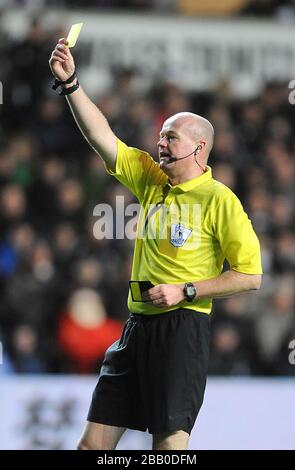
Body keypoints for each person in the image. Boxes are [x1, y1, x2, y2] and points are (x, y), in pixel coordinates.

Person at [49, 39, 263, 451]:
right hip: (136, 328)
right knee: (92, 446)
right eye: (161, 135)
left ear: (199, 147)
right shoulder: (152, 178)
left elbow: (250, 276)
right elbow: (102, 137)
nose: (160, 143)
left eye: (171, 137)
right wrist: (72, 84)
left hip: (182, 330)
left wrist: (186, 290)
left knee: (168, 449)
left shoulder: (220, 199)